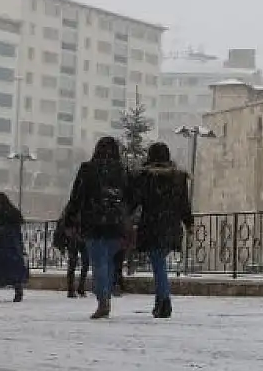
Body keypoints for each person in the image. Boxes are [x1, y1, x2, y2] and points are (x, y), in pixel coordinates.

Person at [64, 136, 133, 319]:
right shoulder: (122, 171)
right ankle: (106, 294)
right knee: (108, 261)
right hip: (115, 223)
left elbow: (76, 196)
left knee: (98, 261)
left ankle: (103, 299)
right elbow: (129, 198)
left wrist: (70, 220)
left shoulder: (88, 169)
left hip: (93, 221)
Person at [131, 142, 193, 319]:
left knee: (158, 264)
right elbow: (184, 204)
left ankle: (164, 301)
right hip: (172, 226)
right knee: (160, 263)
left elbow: (136, 200)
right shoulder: (178, 178)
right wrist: (189, 224)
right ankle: (161, 301)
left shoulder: (146, 177)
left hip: (152, 225)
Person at [0, 192, 29, 303]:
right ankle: (17, 292)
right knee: (13, 271)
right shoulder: (12, 215)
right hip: (11, 248)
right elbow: (17, 234)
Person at [53, 204, 89, 298]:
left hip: (80, 238)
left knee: (83, 263)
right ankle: (72, 289)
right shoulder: (72, 208)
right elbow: (64, 224)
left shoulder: (85, 206)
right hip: (74, 239)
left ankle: (79, 288)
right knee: (74, 263)